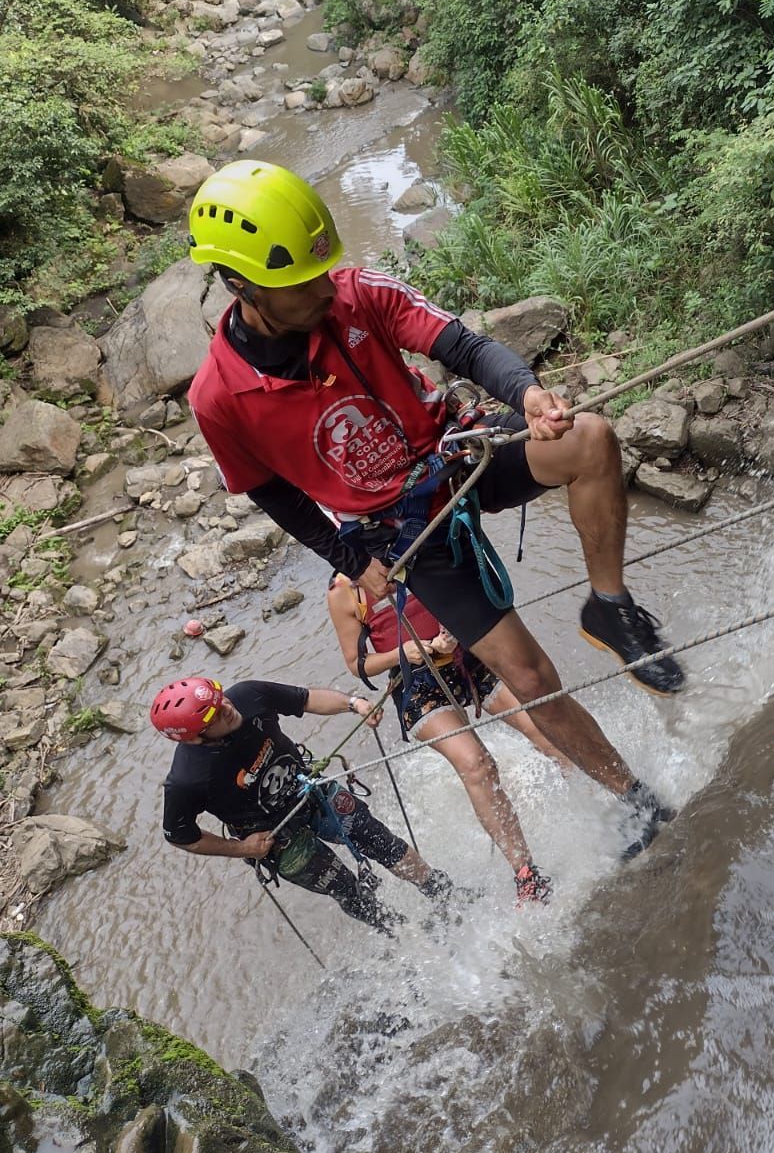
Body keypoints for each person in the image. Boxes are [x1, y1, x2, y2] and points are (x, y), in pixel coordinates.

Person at [186, 160, 677, 860]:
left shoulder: (355, 295)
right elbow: (271, 490)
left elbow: (464, 346)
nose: (325, 288)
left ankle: (609, 605)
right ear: (243, 286)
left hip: (456, 454)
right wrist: (354, 561)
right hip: (401, 528)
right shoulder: (219, 397)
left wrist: (528, 395)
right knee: (530, 678)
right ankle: (636, 801)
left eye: (325, 271)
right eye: (302, 284)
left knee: (589, 440)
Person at [328, 576, 570, 903]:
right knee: (477, 764)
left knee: (543, 724)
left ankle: (607, 800)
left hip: (468, 655)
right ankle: (526, 874)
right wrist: (405, 653)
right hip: (417, 681)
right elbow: (358, 664)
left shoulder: (408, 544)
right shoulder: (343, 592)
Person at [153, 673, 454, 933]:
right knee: (348, 889)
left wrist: (353, 704)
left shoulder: (247, 695)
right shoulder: (188, 780)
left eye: (220, 700)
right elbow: (180, 836)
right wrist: (241, 849)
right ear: (193, 739)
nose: (226, 709)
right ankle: (401, 932)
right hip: (274, 837)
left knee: (379, 840)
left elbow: (305, 699)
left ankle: (441, 892)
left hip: (309, 791)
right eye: (212, 716)